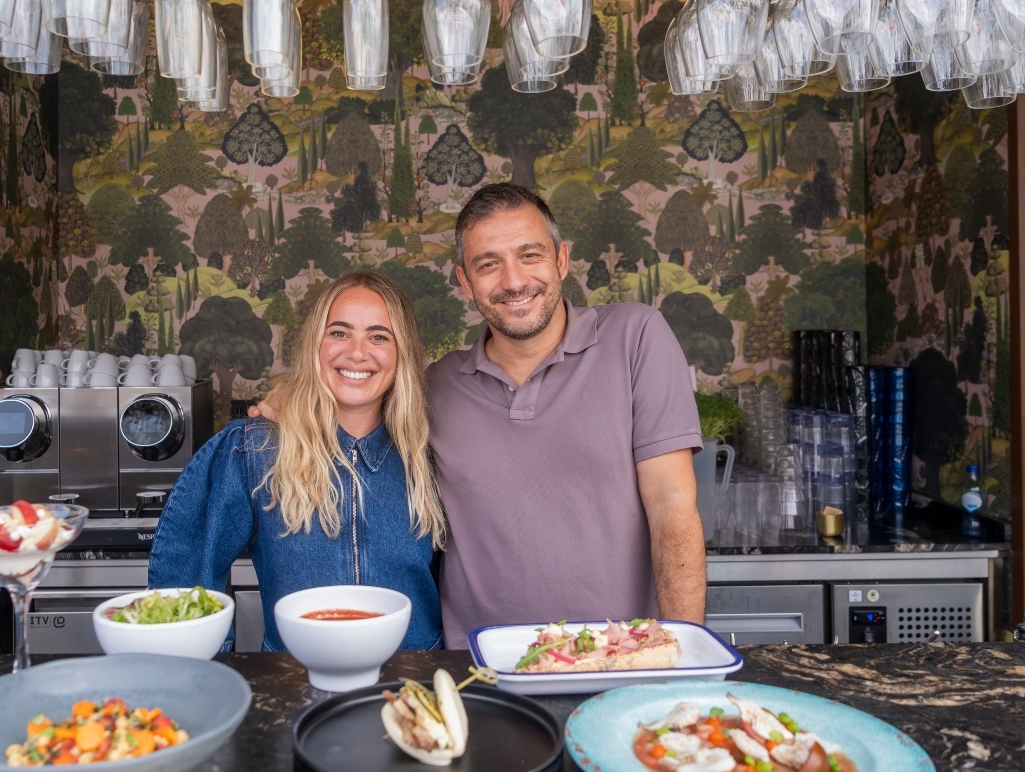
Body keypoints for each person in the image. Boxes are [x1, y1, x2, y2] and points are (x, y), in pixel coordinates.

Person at [255, 183, 706, 649]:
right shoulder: (434, 387)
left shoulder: (635, 338)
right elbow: (354, 392)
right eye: (488, 264)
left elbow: (673, 506)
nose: (513, 281)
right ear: (465, 281)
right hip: (478, 671)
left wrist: (683, 652)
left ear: (562, 259)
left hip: (620, 658)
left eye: (530, 255)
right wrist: (291, 394)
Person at [149, 271, 447, 651]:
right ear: (314, 345)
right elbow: (188, 576)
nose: (357, 352)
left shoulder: (432, 450)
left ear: (401, 352)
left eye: (378, 336)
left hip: (414, 688)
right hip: (295, 689)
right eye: (339, 332)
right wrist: (207, 679)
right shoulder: (253, 448)